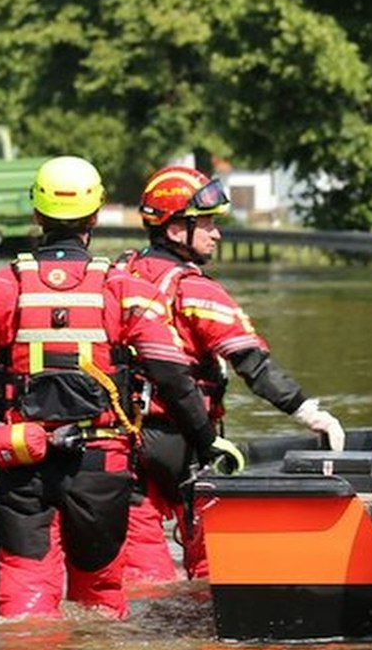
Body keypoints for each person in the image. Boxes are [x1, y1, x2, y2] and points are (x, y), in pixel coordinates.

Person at [0, 156, 217, 620]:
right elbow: (173, 376)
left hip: (21, 465)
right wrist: (208, 444)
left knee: (22, 603)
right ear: (96, 215)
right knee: (102, 600)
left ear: (35, 214)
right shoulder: (125, 289)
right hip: (102, 467)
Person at [115, 164, 347, 585]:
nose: (216, 234)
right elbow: (253, 365)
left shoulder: (119, 272)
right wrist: (312, 414)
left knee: (142, 583)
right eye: (206, 224)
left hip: (124, 447)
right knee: (213, 576)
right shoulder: (195, 289)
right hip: (187, 442)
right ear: (174, 230)